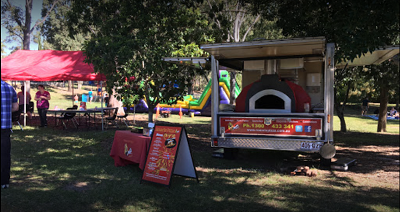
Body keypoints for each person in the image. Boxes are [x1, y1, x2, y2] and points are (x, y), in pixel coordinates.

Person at [1, 80, 19, 189]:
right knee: (5, 155)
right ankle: (4, 182)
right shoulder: (9, 88)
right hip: (5, 127)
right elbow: (16, 107)